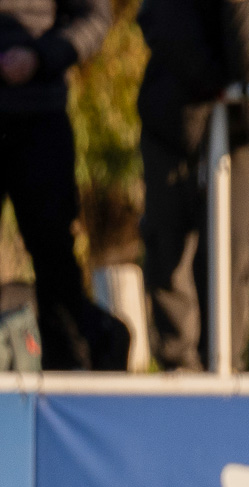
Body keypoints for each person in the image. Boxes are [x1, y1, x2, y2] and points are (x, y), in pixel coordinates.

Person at [137, 0, 249, 371]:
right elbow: (164, 25)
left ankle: (224, 368)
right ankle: (180, 368)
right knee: (168, 248)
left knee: (237, 250)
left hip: (245, 130)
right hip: (175, 120)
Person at [0, 0, 128, 370]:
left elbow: (94, 18)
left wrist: (39, 57)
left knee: (54, 256)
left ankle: (73, 368)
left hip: (38, 114)